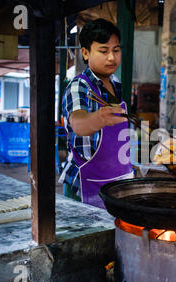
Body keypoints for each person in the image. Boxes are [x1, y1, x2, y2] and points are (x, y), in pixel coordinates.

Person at [58, 19, 134, 209]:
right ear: (85, 52)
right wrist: (98, 118)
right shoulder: (79, 86)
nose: (111, 58)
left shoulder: (118, 85)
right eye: (103, 51)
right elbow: (78, 123)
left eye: (116, 50)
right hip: (85, 185)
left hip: (118, 181)